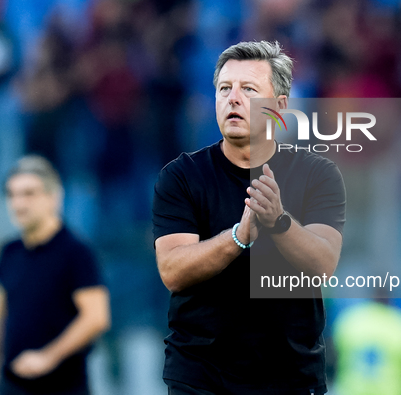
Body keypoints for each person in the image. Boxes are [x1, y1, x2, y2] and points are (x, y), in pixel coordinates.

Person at [152, 41, 346, 394]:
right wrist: (239, 237)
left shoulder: (317, 175)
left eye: (249, 89)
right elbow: (172, 271)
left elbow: (323, 264)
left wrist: (279, 223)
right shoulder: (181, 176)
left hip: (291, 377)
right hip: (201, 377)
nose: (233, 98)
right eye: (224, 88)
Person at [0, 155, 111, 395]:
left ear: (54, 197)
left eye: (29, 194)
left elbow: (96, 318)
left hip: (63, 387)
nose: (18, 204)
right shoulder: (9, 252)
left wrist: (48, 357)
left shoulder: (75, 252)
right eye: (12, 195)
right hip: (12, 386)